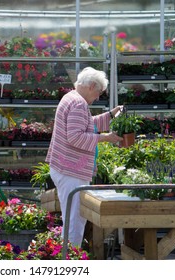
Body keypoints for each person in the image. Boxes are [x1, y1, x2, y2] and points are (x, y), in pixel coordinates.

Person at [45, 66, 123, 246]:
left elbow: (86, 123)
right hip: (71, 170)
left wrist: (110, 115)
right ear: (92, 85)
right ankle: (71, 263)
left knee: (72, 218)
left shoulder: (71, 98)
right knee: (74, 221)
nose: (97, 97)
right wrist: (105, 138)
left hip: (65, 167)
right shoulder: (79, 103)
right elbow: (75, 137)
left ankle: (68, 256)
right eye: (99, 92)